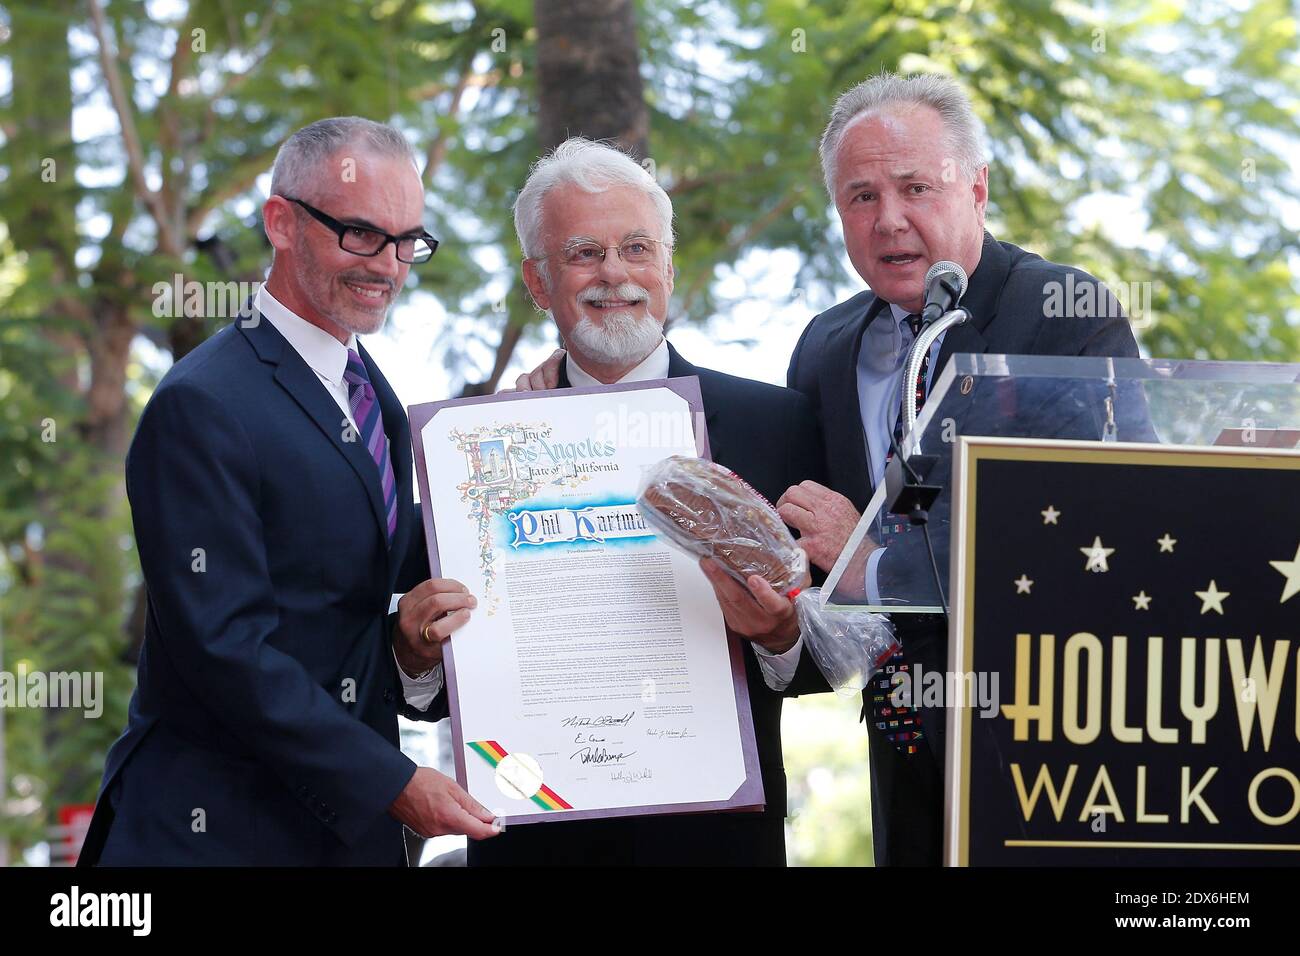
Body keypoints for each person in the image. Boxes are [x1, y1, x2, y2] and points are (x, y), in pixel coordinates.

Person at [80, 117, 499, 866]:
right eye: (362, 235)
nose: (391, 266)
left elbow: (358, 588)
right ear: (281, 222)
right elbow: (225, 649)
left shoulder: (377, 397)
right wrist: (394, 781)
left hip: (343, 837)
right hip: (216, 834)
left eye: (409, 241)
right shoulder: (201, 403)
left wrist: (415, 635)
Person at [775, 73, 1141, 865]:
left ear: (976, 187)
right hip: (900, 746)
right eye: (861, 197)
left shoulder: (1063, 314)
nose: (889, 219)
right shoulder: (826, 347)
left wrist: (875, 560)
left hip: (1046, 744)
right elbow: (793, 535)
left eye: (915, 187)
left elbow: (1095, 537)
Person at [480, 137, 827, 866]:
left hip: (716, 847)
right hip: (534, 840)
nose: (615, 273)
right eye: (582, 253)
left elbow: (834, 658)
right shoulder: (482, 446)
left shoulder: (780, 424)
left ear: (668, 266)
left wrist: (778, 634)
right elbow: (442, 677)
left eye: (637, 248)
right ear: (538, 283)